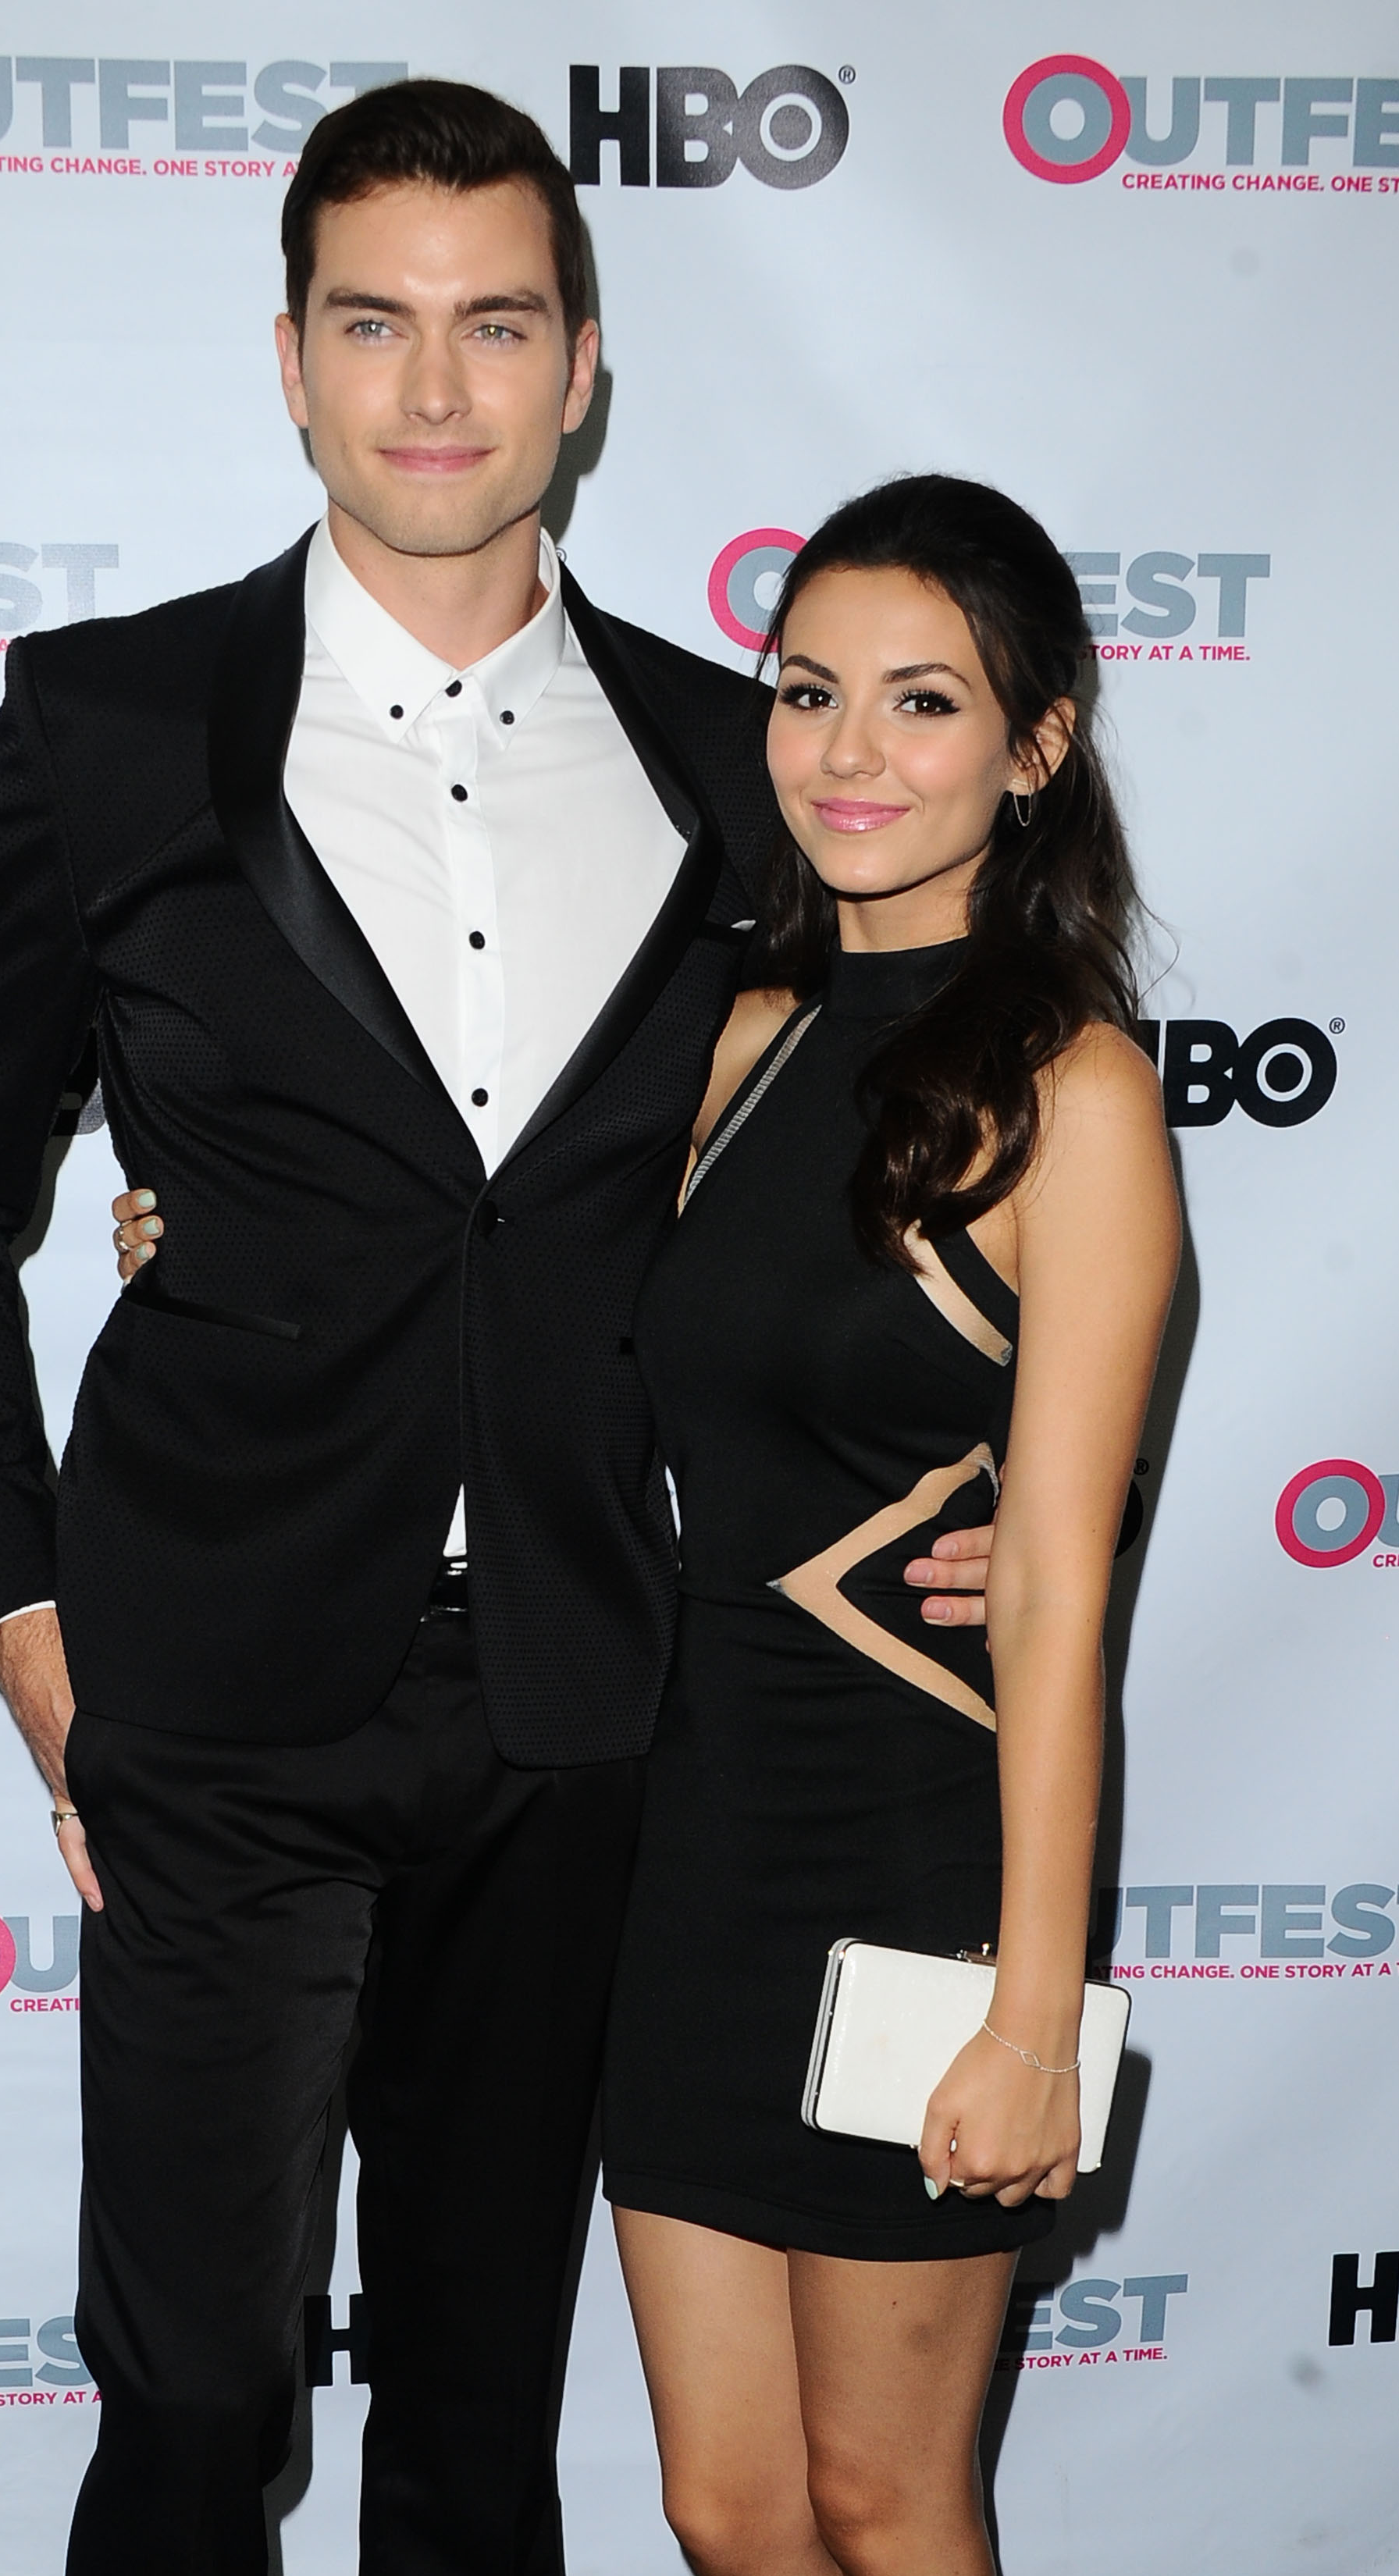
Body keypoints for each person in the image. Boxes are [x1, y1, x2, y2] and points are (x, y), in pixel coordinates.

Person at [0, 83, 991, 2576]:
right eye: (374, 324)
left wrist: (995, 1503)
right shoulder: (112, 722)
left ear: (582, 366)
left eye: (496, 324)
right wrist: (20, 1615)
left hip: (581, 1698)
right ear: (290, 360)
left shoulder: (734, 760)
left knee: (479, 2424)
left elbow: (876, 1169)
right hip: (209, 1690)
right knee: (193, 2404)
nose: (437, 387)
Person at [593, 474, 1180, 2576]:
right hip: (682, 1858)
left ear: (1033, 746)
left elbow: (1052, 1586)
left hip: (913, 1863)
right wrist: (200, 1232)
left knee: (886, 2500)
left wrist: (1033, 2011)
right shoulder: (731, 1041)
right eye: (807, 689)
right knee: (729, 2508)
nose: (848, 751)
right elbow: (499, 1282)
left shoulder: (1070, 1091)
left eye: (922, 701)